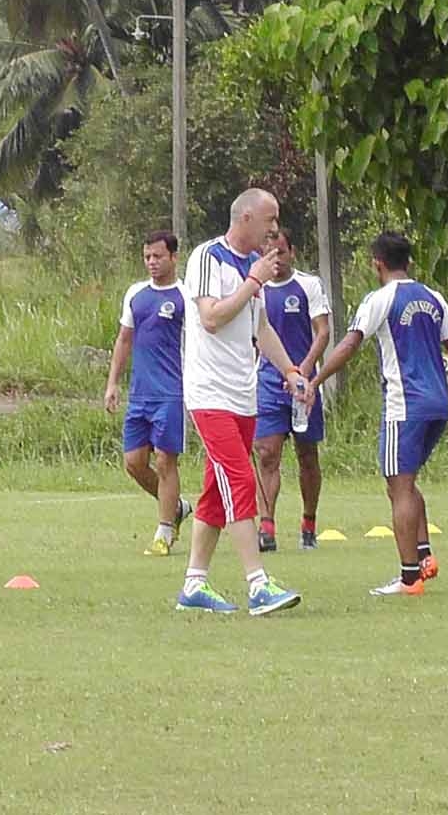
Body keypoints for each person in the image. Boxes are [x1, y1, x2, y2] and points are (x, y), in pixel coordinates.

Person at [306, 232, 448, 595]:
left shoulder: (380, 299)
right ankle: (425, 555)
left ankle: (409, 577)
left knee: (400, 487)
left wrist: (316, 380)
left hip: (404, 403)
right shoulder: (433, 297)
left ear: (376, 263)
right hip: (438, 403)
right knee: (405, 483)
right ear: (408, 262)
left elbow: (350, 343)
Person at [175, 188, 303, 615]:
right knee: (240, 479)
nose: (274, 229)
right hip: (209, 392)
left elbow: (260, 328)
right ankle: (257, 583)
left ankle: (194, 585)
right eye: (270, 219)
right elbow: (211, 318)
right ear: (246, 217)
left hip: (242, 394)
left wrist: (291, 371)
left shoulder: (255, 268)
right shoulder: (208, 258)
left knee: (216, 491)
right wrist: (253, 282)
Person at [104, 230, 191, 556]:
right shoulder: (136, 294)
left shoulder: (185, 297)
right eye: (147, 257)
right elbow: (124, 339)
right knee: (133, 463)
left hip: (172, 393)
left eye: (157, 256)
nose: (152, 263)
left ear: (173, 257)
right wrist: (113, 383)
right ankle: (177, 507)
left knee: (166, 461)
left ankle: (164, 532)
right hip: (140, 395)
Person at [252, 228, 331, 552]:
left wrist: (303, 372)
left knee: (307, 455)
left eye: (281, 252)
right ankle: (266, 526)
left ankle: (309, 522)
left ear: (292, 252)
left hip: (304, 384)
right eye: (270, 254)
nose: (277, 259)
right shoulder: (254, 290)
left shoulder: (308, 285)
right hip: (268, 382)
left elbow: (323, 332)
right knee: (267, 453)